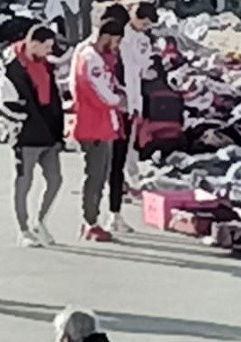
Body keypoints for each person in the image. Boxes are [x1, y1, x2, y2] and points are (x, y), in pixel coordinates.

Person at [0, 26, 66, 248]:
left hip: (49, 134)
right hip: (26, 136)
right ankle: (23, 228)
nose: (49, 51)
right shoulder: (12, 69)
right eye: (46, 46)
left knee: (55, 179)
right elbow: (6, 103)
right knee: (23, 183)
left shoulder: (46, 65)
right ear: (33, 44)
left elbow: (54, 99)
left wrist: (58, 133)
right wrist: (20, 121)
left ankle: (40, 220)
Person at [71, 19, 127, 242]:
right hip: (94, 124)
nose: (116, 46)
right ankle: (90, 221)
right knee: (95, 176)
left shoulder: (94, 55)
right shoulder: (91, 58)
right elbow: (98, 91)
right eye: (116, 41)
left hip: (103, 123)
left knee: (100, 175)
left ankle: (91, 219)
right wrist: (118, 101)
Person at [108, 2, 159, 234]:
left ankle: (129, 180)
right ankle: (118, 195)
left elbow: (143, 66)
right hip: (118, 100)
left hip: (134, 98)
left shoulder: (143, 39)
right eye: (143, 23)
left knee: (129, 145)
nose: (145, 27)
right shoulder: (119, 36)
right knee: (116, 154)